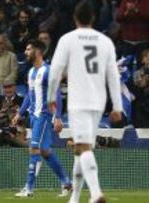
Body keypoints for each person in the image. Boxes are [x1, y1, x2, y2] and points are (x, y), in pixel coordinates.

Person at [47, 2, 122, 203]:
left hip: (79, 100)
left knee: (83, 147)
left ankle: (96, 193)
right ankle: (76, 198)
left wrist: (50, 97)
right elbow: (113, 76)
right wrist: (117, 106)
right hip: (98, 101)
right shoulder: (105, 41)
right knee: (82, 148)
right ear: (94, 19)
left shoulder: (68, 39)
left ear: (75, 18)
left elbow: (55, 72)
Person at [12, 40, 71, 197]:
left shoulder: (48, 71)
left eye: (28, 49)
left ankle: (29, 188)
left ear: (38, 52)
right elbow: (29, 95)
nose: (25, 52)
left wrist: (58, 117)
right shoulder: (31, 72)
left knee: (34, 147)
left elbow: (57, 93)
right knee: (45, 151)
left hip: (43, 116)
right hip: (33, 116)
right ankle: (67, 183)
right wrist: (20, 113)